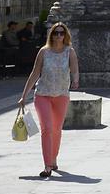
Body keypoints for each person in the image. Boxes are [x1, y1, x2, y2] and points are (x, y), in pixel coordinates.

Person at [18, 22, 79, 178]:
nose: (58, 35)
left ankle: (53, 158)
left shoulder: (69, 52)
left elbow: (75, 69)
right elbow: (35, 73)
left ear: (65, 35)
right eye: (55, 33)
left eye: (61, 33)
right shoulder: (44, 52)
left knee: (57, 130)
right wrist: (24, 95)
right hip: (42, 95)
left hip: (61, 95)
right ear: (51, 35)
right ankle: (47, 166)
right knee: (47, 128)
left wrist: (76, 80)